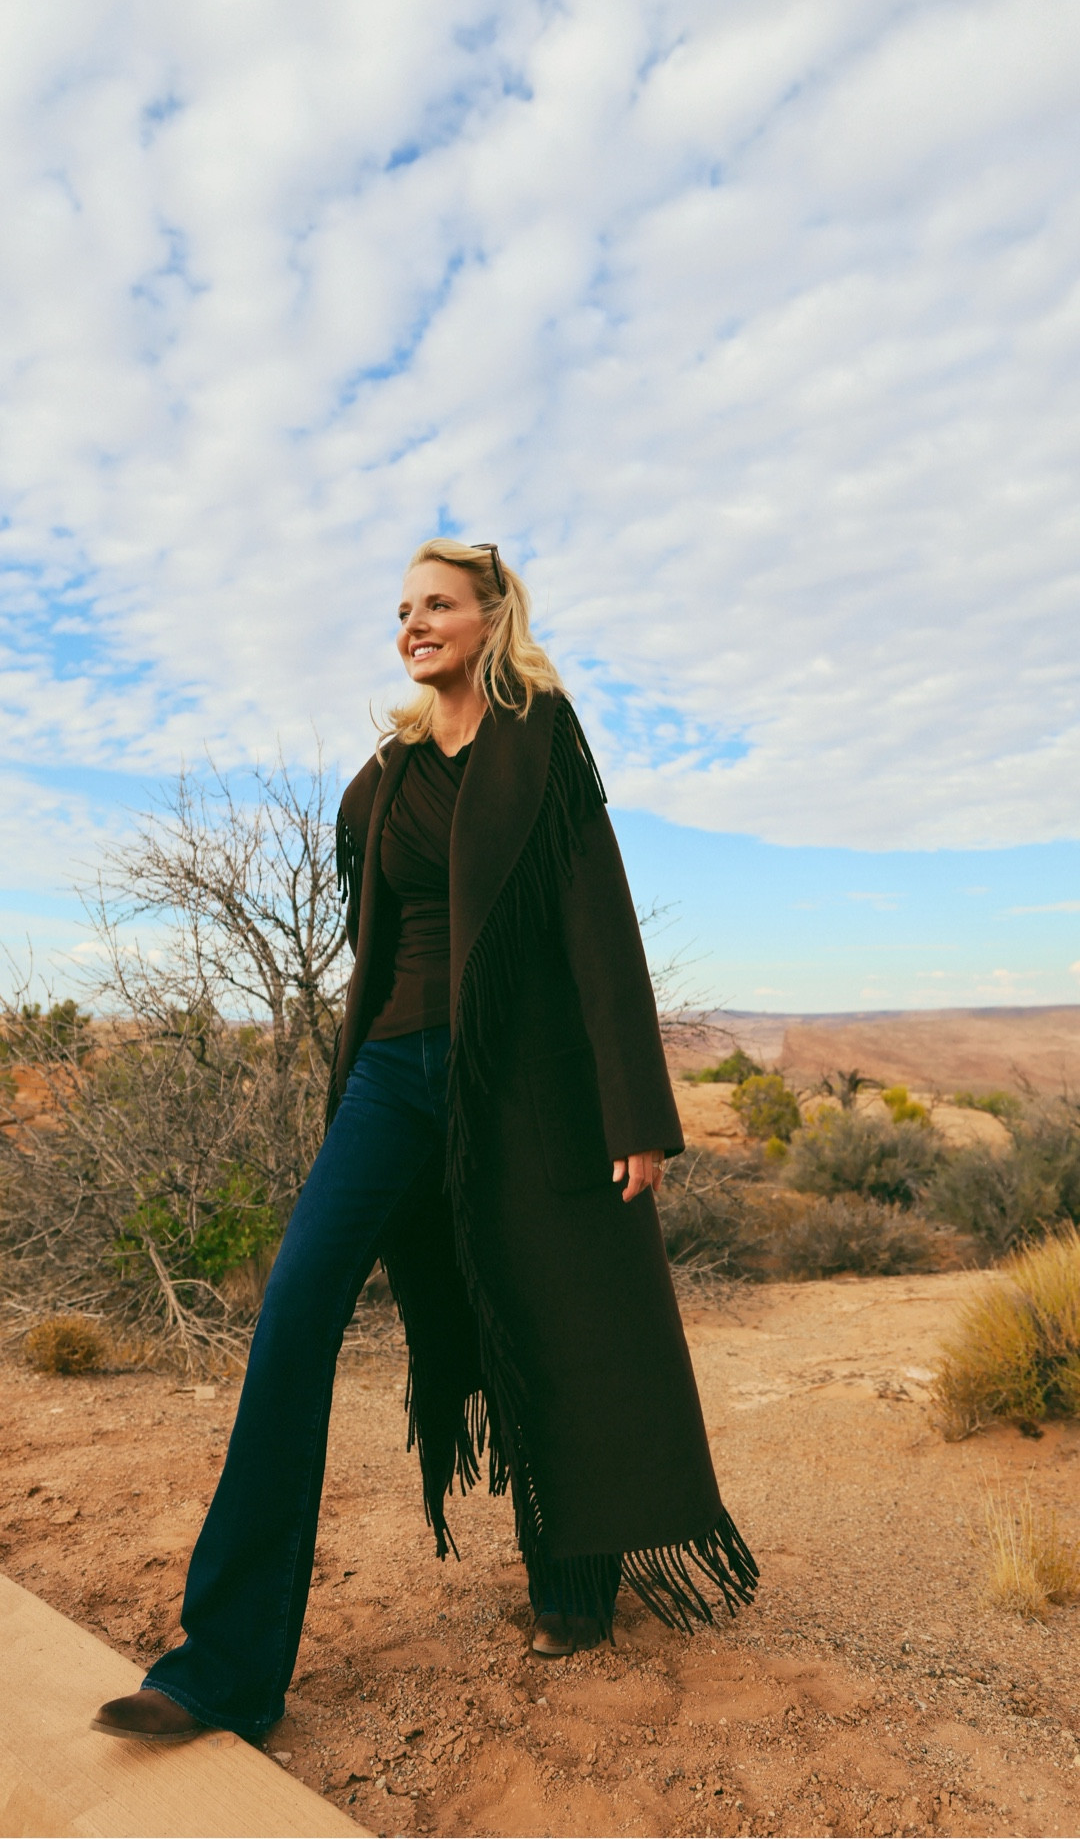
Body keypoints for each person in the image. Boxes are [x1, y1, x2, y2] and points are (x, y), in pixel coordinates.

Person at [93, 537, 757, 1747]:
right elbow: (379, 935)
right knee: (294, 1310)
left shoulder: (541, 746)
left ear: (491, 617)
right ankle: (220, 1669)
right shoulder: (385, 779)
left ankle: (574, 1568)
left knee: (543, 1308)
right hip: (393, 1081)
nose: (414, 624)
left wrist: (635, 1113)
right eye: (403, 609)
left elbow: (595, 919)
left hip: (520, 1086)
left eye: (438, 604)